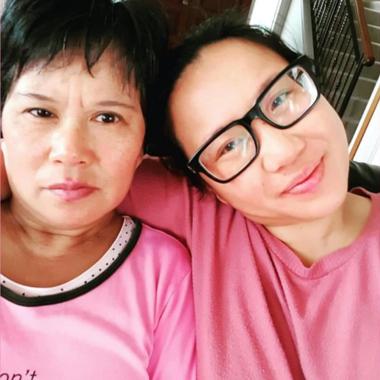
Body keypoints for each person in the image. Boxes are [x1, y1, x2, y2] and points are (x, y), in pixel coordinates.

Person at [120, 12, 380, 379]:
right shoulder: (202, 215)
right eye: (229, 147)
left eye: (278, 101)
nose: (283, 152)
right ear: (211, 188)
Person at [0, 1, 195, 379]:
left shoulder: (163, 275)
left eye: (108, 117)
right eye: (41, 112)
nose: (70, 152)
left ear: (143, 146)